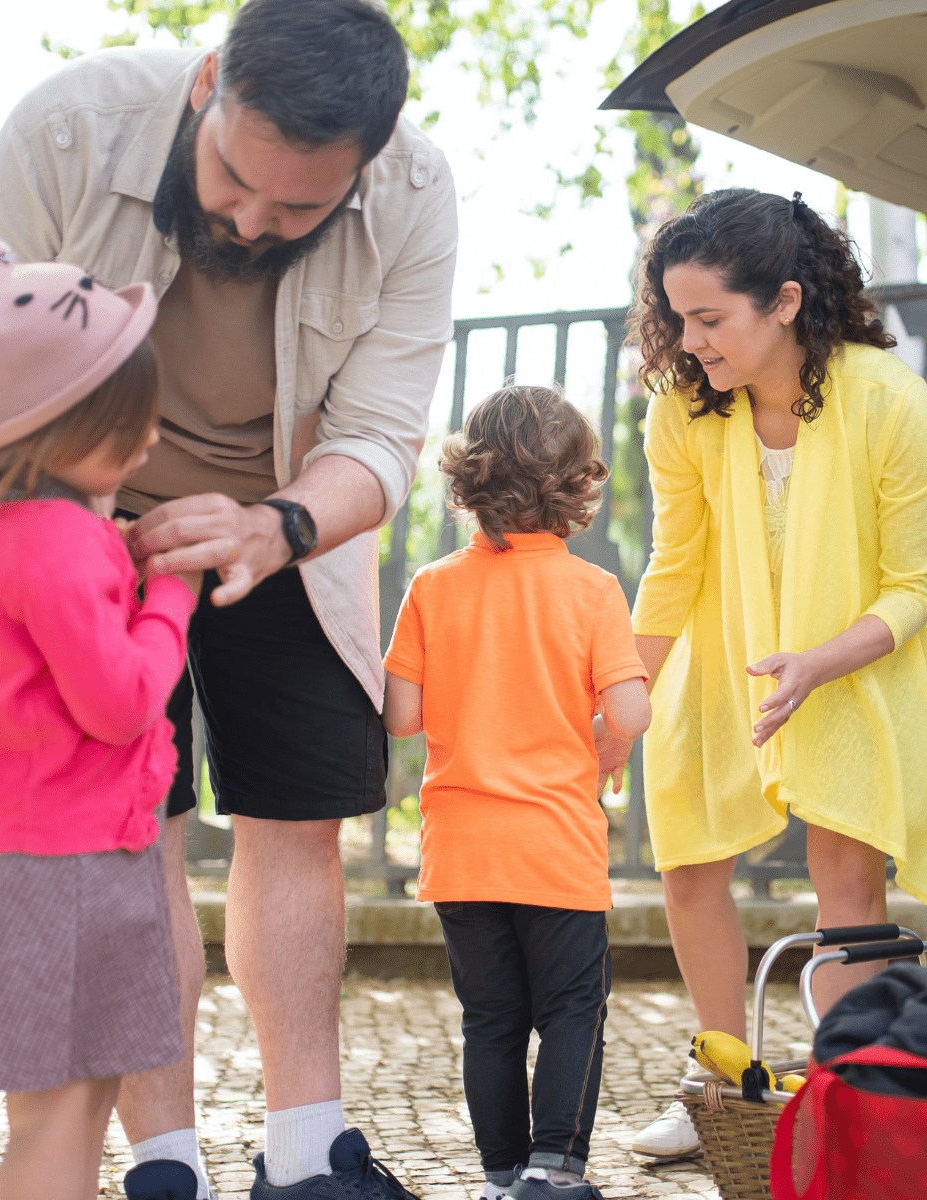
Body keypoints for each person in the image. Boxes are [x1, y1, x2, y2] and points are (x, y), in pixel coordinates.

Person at [0, 2, 457, 1196]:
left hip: (290, 516)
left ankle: (308, 1156)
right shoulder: (68, 130)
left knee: (300, 816)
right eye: (235, 178)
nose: (251, 220)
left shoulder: (415, 196)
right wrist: (96, 543)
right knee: (137, 831)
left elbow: (386, 433)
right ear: (204, 87)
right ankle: (163, 1164)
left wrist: (273, 527)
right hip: (77, 519)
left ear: (365, 169)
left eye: (298, 208)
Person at [604, 188, 927, 1160]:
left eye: (709, 319)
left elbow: (917, 583)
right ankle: (722, 1087)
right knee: (690, 866)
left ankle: (851, 1097)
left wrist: (821, 661)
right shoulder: (682, 408)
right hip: (726, 653)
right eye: (677, 317)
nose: (690, 340)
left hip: (856, 663)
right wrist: (626, 696)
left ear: (784, 302)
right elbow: (676, 562)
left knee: (845, 878)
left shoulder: (889, 399)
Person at [0, 231, 203, 1200]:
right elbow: (118, 704)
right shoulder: (60, 540)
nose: (149, 440)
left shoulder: (1, 532)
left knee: (46, 1105)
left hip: (14, 852)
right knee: (70, 1109)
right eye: (131, 423)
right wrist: (172, 596)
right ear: (62, 427)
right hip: (70, 865)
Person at [383, 385, 652, 1200]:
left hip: (462, 849)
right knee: (572, 1007)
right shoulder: (593, 590)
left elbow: (401, 718)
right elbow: (631, 709)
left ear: (468, 482)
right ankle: (555, 1168)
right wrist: (603, 730)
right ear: (576, 487)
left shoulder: (433, 586)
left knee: (490, 1019)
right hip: (555, 846)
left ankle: (501, 1175)